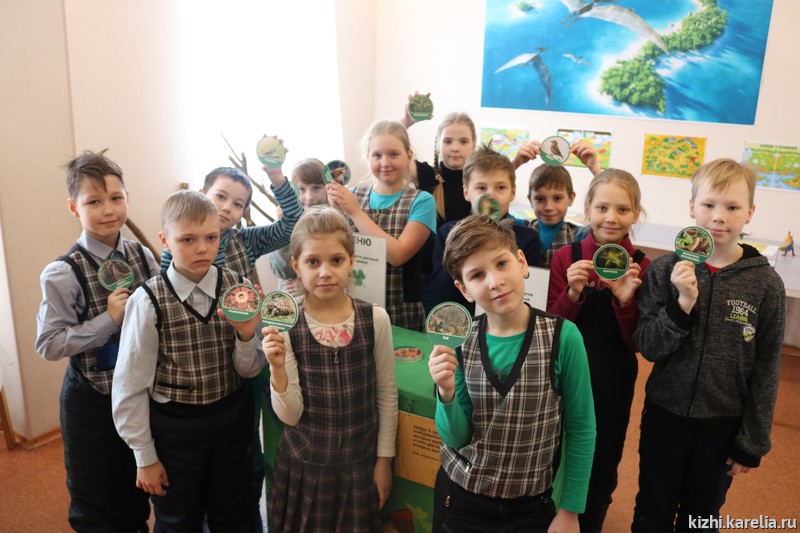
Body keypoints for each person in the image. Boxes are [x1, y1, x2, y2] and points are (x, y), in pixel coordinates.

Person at [631, 159, 786, 532]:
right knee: (651, 510)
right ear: (692, 207)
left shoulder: (766, 285)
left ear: (749, 213)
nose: (719, 216)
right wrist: (682, 305)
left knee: (701, 517)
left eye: (732, 207)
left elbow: (767, 364)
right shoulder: (664, 270)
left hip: (721, 426)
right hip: (664, 417)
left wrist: (753, 439)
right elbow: (648, 346)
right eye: (709, 204)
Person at [428, 215, 595, 533]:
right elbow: (457, 437)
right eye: (477, 275)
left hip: (530, 505)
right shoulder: (460, 341)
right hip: (461, 499)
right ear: (464, 289)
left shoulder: (564, 337)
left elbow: (581, 429)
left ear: (521, 262)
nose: (495, 281)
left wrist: (570, 510)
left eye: (502, 264)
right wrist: (446, 392)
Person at [158, 162, 302, 531]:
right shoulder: (175, 251)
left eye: (238, 204)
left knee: (242, 456)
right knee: (196, 476)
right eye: (220, 196)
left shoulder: (245, 240)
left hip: (243, 361)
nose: (226, 208)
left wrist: (276, 176)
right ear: (202, 195)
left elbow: (292, 224)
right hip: (197, 371)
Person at [112, 190, 266, 531]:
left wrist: (245, 335)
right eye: (188, 239)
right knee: (178, 517)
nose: (202, 249)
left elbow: (249, 370)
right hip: (176, 428)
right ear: (164, 240)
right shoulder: (147, 301)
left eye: (211, 237)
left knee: (235, 511)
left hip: (231, 419)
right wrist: (144, 456)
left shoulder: (237, 288)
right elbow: (129, 386)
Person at [35, 149, 157, 532]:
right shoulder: (61, 273)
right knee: (95, 501)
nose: (108, 210)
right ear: (74, 207)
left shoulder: (143, 256)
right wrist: (108, 320)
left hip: (139, 394)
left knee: (135, 493)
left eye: (116, 198)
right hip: (92, 400)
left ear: (127, 199)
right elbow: (49, 344)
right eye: (94, 202)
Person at [263, 206, 397, 532]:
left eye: (336, 260)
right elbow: (290, 415)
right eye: (313, 262)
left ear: (352, 262)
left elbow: (386, 395)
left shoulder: (375, 318)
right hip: (306, 468)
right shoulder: (286, 323)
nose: (325, 272)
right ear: (296, 266)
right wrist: (277, 369)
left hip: (360, 466)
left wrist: (384, 461)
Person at [547, 169, 650, 532]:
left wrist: (625, 300)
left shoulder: (642, 266)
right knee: (554, 449)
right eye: (602, 207)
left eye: (623, 209)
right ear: (588, 207)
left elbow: (636, 343)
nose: (611, 218)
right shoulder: (566, 257)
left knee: (603, 457)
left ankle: (590, 521)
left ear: (636, 214)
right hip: (563, 375)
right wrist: (572, 293)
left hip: (613, 380)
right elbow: (550, 330)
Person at [326, 120, 436, 332]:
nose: (385, 162)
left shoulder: (422, 201)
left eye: (393, 154)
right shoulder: (352, 195)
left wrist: (355, 212)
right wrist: (336, 211)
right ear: (367, 157)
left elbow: (398, 255)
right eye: (377, 155)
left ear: (409, 156)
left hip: (401, 312)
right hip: (353, 305)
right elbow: (335, 249)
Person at [429, 145, 542, 315]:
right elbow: (440, 291)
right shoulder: (447, 234)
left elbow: (529, 294)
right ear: (466, 192)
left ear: (512, 193)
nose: (491, 196)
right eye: (481, 188)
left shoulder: (528, 239)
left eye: (500, 188)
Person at [527, 141, 601, 268]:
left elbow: (611, 200)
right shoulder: (523, 229)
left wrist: (594, 167)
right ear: (530, 200)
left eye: (557, 198)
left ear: (571, 198)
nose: (548, 207)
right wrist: (515, 163)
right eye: (540, 199)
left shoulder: (578, 235)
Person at [268, 158, 327, 300]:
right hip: (292, 300)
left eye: (317, 187)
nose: (309, 197)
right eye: (301, 189)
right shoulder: (287, 220)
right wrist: (283, 225)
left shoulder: (335, 221)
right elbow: (282, 270)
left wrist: (306, 284)